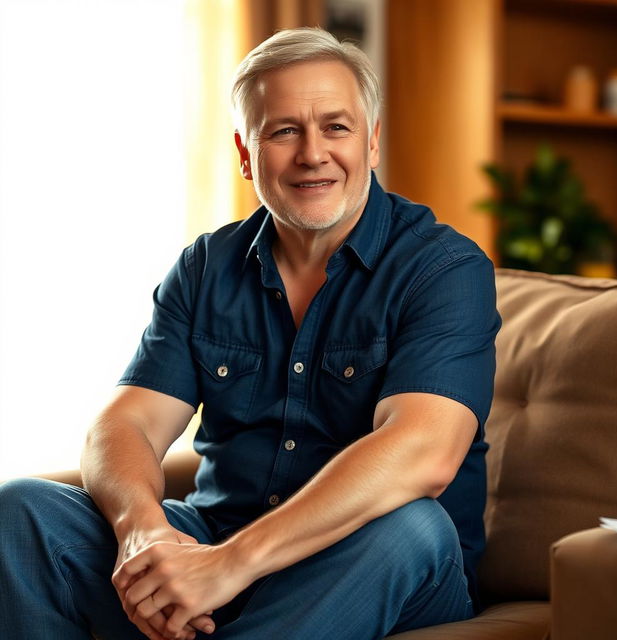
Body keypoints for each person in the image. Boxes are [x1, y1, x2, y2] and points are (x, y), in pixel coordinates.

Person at [0, 27, 501, 640]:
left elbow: (423, 452)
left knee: (411, 522)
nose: (312, 153)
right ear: (246, 152)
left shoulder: (443, 268)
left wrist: (228, 567)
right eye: (283, 130)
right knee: (24, 509)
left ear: (371, 143)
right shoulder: (206, 267)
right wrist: (145, 534)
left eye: (336, 128)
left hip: (370, 563)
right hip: (217, 544)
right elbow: (123, 426)